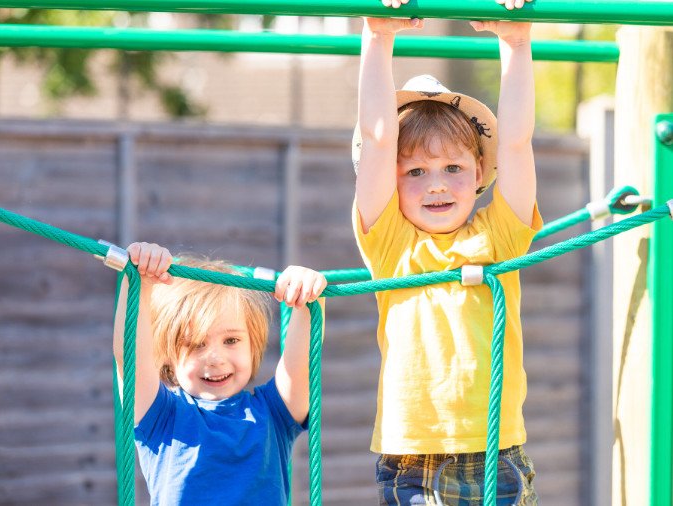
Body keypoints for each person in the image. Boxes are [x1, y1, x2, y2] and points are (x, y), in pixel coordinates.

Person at [353, 0, 543, 504]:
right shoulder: (391, 245)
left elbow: (518, 144)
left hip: (493, 453)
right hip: (411, 461)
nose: (436, 185)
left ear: (480, 173)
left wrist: (516, 44)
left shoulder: (500, 235)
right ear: (391, 185)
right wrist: (377, 39)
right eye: (415, 172)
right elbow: (377, 139)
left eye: (453, 168)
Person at [112, 242, 327, 505]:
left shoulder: (274, 412)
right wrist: (139, 283)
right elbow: (129, 357)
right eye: (197, 344)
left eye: (231, 341)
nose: (215, 359)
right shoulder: (162, 417)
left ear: (253, 344)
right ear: (168, 356)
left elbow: (301, 361)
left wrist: (308, 296)